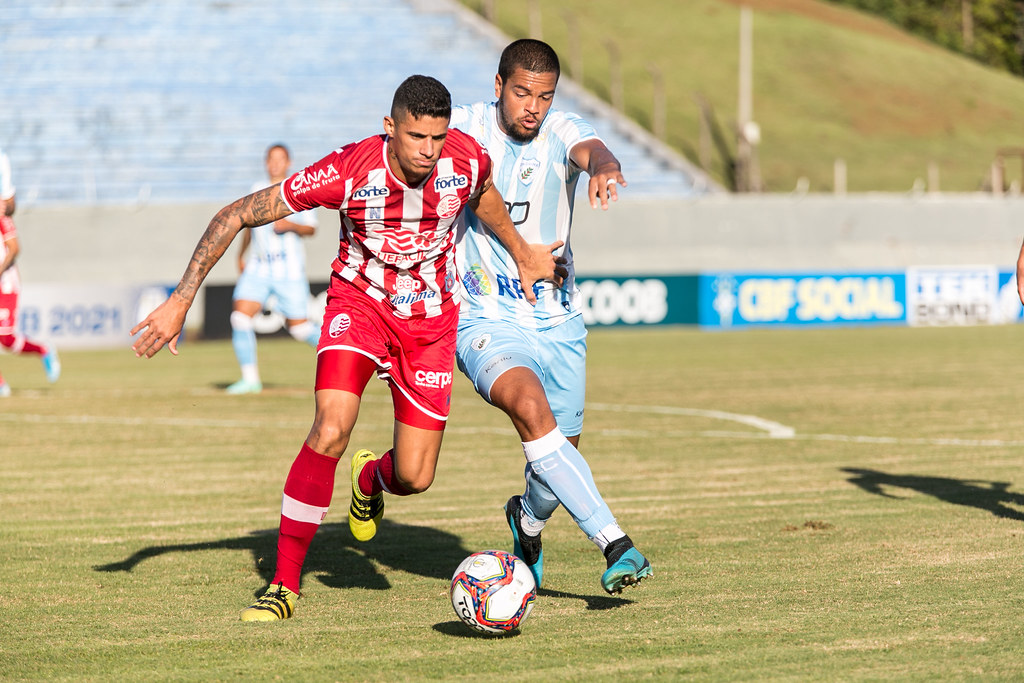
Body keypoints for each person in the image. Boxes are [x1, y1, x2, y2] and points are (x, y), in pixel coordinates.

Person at [130, 75, 563, 621]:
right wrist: (181, 299)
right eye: (415, 137)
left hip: (429, 326)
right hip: (358, 308)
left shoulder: (467, 158)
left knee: (415, 476)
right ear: (389, 128)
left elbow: (486, 199)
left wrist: (523, 252)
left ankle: (370, 478)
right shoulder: (349, 170)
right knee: (332, 426)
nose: (428, 151)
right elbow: (236, 213)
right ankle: (284, 584)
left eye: (437, 137)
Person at [450, 39, 652, 595]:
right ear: (498, 87)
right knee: (530, 408)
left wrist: (605, 169)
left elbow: (595, 150)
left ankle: (528, 523)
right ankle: (616, 543)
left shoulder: (561, 129)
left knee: (559, 459)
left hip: (559, 319)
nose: (532, 107)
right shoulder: (465, 126)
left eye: (543, 96)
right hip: (484, 315)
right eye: (521, 94)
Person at [226, 143, 320, 394]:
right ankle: (250, 379)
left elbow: (312, 228)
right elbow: (247, 224)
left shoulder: (300, 190)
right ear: (266, 162)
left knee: (300, 329)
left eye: (280, 159)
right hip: (258, 266)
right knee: (240, 317)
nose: (275, 163)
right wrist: (241, 253)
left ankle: (353, 357)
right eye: (271, 159)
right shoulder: (257, 189)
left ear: (288, 162)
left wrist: (291, 225)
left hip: (288, 269)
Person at [0, 147, 60, 396]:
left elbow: (14, 248)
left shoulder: (2, 216)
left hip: (6, 281)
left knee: (7, 340)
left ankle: (43, 349)